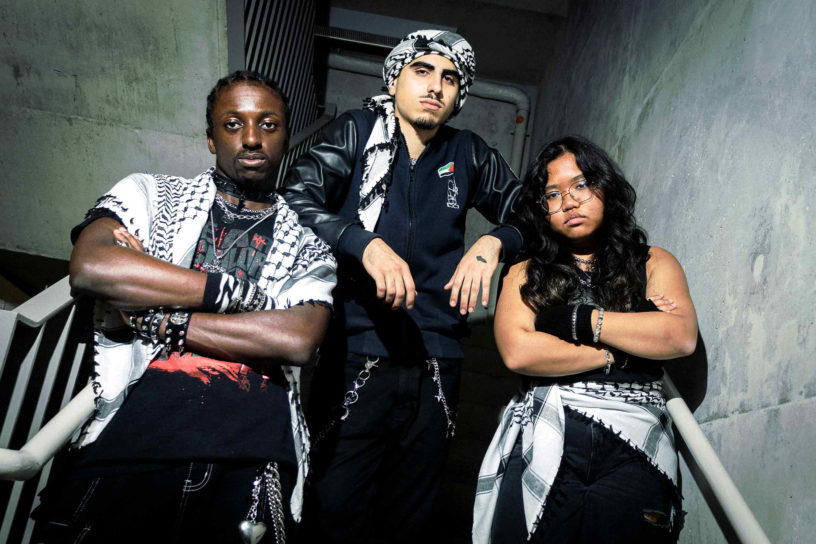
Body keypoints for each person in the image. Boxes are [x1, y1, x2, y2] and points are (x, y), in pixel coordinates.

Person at [32, 71, 337, 543]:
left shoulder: (309, 244)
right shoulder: (152, 195)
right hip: (133, 439)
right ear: (211, 138)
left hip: (249, 457)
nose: (251, 138)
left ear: (285, 137)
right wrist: (236, 296)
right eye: (233, 124)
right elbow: (93, 267)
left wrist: (157, 317)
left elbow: (296, 338)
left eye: (268, 124)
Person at [282, 30, 523, 542]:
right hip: (355, 347)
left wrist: (494, 241)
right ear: (394, 80)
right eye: (422, 71)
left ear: (458, 95)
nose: (435, 86)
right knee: (332, 510)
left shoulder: (469, 153)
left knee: (411, 518)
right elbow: (293, 201)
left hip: (437, 360)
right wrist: (360, 241)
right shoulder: (355, 131)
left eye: (449, 78)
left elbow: (535, 216)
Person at [473, 136, 698, 543]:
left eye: (581, 185)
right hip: (547, 433)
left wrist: (579, 320)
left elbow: (678, 337)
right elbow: (519, 351)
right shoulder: (524, 271)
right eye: (553, 194)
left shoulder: (653, 262)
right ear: (542, 208)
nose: (569, 202)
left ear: (605, 188)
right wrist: (622, 351)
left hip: (635, 446)